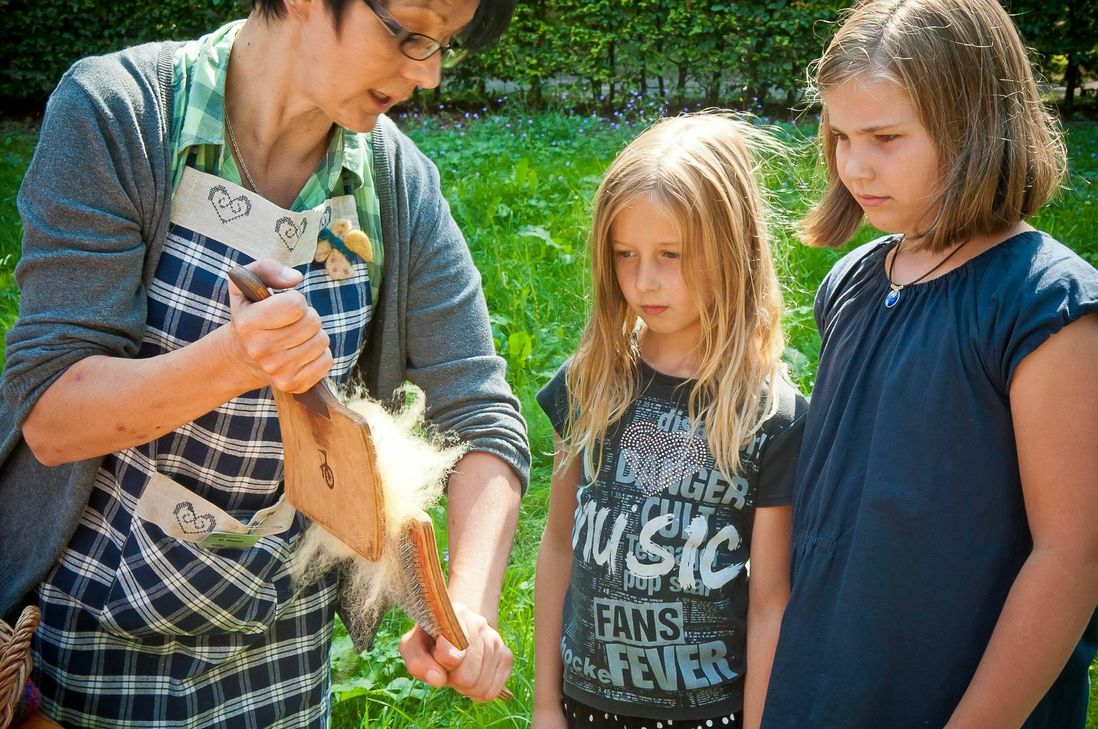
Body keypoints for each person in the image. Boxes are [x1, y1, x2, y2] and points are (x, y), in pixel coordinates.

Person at [0, 0, 530, 725]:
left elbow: (482, 414)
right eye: (409, 34)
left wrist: (462, 605)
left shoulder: (395, 184)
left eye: (446, 46)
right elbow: (53, 415)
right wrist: (233, 359)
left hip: (279, 662)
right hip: (87, 656)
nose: (429, 74)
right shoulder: (120, 114)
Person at [760, 1, 1098, 727]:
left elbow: (1072, 556)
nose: (853, 165)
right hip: (826, 680)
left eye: (885, 137)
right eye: (840, 136)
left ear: (978, 125)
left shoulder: (1046, 305)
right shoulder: (850, 280)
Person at [532, 113, 808, 729]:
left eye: (672, 255)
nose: (643, 280)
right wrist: (545, 704)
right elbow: (556, 547)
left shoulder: (771, 417)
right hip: (583, 706)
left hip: (708, 715)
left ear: (734, 250)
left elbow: (769, 605)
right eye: (626, 254)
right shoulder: (590, 383)